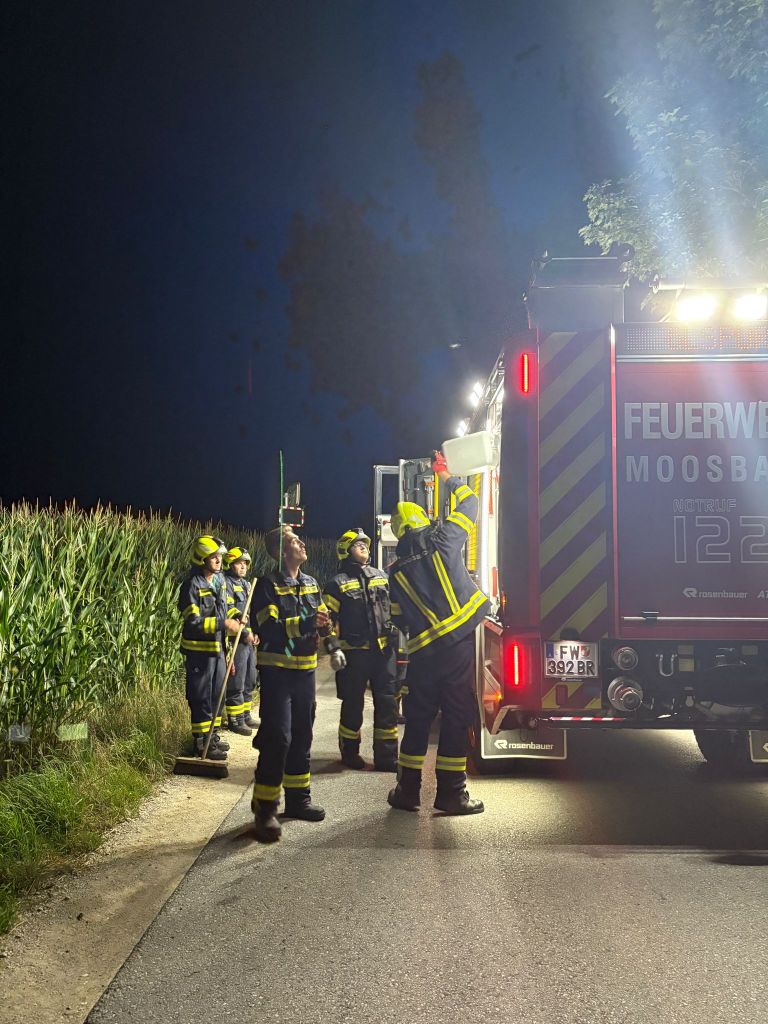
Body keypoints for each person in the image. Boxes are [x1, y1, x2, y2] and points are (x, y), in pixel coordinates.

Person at [387, 453, 489, 815]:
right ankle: (451, 793)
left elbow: (398, 618)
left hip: (423, 654)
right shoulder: (443, 537)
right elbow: (471, 502)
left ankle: (407, 791)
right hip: (457, 644)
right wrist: (445, 475)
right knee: (457, 715)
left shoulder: (395, 571)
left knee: (418, 719)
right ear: (422, 519)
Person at [250, 526, 330, 842]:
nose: (302, 543)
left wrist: (327, 632)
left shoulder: (311, 584)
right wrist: (307, 623)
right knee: (277, 738)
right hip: (277, 673)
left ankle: (298, 800)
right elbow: (269, 628)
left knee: (302, 735)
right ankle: (265, 810)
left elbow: (321, 619)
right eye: (295, 541)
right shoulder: (267, 586)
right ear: (282, 552)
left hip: (305, 672)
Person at [323, 528, 399, 772]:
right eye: (358, 545)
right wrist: (333, 648)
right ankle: (349, 753)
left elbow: (395, 609)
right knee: (352, 705)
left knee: (387, 704)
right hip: (354, 655)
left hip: (384, 653)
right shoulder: (336, 584)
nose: (364, 547)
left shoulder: (381, 576)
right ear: (345, 551)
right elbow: (326, 621)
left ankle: (387, 757)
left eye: (365, 544)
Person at [178, 535, 240, 760]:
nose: (218, 560)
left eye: (219, 556)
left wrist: (236, 617)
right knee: (200, 696)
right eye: (213, 556)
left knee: (217, 695)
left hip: (218, 649)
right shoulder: (191, 586)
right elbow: (193, 622)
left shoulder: (220, 581)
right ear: (201, 558)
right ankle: (200, 742)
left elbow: (225, 609)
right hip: (199, 652)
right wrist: (223, 624)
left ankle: (211, 736)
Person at [223, 546, 259, 736]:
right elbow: (229, 609)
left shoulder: (246, 585)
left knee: (250, 678)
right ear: (230, 564)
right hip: (234, 639)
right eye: (239, 563)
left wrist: (256, 632)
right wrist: (244, 631)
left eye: (245, 563)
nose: (243, 566)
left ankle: (245, 715)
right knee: (236, 680)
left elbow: (251, 612)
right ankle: (235, 719)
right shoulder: (225, 583)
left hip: (249, 639)